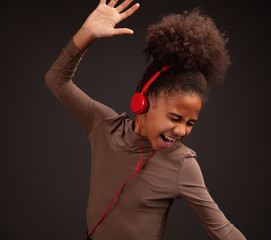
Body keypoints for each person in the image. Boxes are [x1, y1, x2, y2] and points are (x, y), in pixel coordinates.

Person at [45, 0, 246, 239]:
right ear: (143, 101)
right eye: (175, 117)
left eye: (190, 123)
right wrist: (85, 35)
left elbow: (222, 230)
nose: (181, 130)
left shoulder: (182, 164)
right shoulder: (104, 126)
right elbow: (56, 80)